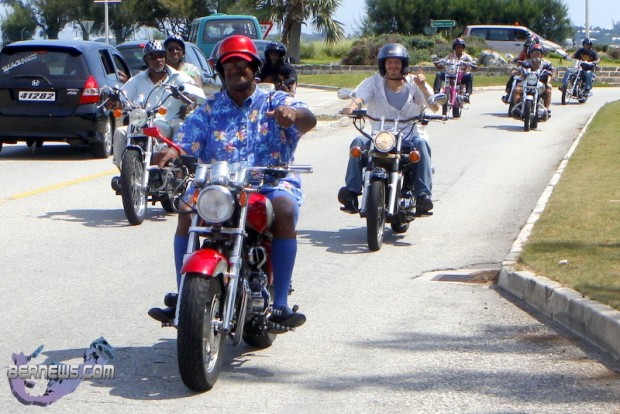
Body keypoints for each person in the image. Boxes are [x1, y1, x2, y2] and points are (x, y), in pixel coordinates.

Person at [148, 35, 317, 328]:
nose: (236, 71)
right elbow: (187, 140)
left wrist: (294, 114)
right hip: (220, 186)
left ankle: (280, 304)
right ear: (221, 72)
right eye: (229, 67)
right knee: (186, 212)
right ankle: (183, 294)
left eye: (242, 65)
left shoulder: (274, 100)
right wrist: (173, 151)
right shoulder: (210, 109)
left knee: (285, 209)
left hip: (269, 184)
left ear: (254, 68)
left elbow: (308, 119)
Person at [338, 43, 440, 216]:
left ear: (403, 64)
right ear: (383, 64)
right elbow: (359, 98)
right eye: (389, 62)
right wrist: (352, 108)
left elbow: (435, 106)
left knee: (421, 144)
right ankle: (351, 192)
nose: (393, 66)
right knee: (357, 143)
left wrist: (423, 86)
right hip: (379, 136)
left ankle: (423, 196)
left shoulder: (414, 83)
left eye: (397, 63)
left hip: (408, 136)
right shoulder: (373, 82)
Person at [110, 40, 204, 177]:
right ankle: (124, 173)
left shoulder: (179, 77)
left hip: (171, 120)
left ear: (165, 57)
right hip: (144, 121)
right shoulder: (137, 79)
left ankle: (180, 170)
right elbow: (123, 98)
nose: (158, 60)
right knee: (120, 132)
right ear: (146, 60)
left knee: (181, 128)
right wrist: (114, 102)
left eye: (161, 56)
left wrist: (187, 98)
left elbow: (196, 96)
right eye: (153, 57)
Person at [511, 43, 556, 111]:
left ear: (542, 55)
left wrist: (553, 74)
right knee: (516, 90)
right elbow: (520, 68)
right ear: (531, 54)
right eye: (534, 53)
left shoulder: (546, 63)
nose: (536, 54)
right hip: (527, 83)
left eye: (538, 53)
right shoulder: (526, 62)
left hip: (541, 84)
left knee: (548, 90)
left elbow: (553, 70)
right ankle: (517, 108)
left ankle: (546, 110)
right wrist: (516, 71)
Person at [433, 38, 476, 102]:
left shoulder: (467, 57)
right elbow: (440, 66)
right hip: (450, 74)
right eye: (457, 47)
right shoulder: (449, 56)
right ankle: (436, 92)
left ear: (463, 48)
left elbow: (473, 65)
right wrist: (435, 62)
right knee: (439, 74)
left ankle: (467, 94)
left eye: (461, 47)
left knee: (470, 75)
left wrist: (471, 65)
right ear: (454, 48)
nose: (459, 49)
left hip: (462, 76)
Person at [501, 35, 539, 104]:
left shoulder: (539, 54)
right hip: (525, 72)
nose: (528, 48)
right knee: (514, 76)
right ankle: (509, 94)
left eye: (531, 46)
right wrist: (514, 63)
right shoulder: (524, 52)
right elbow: (519, 59)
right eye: (527, 46)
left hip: (535, 75)